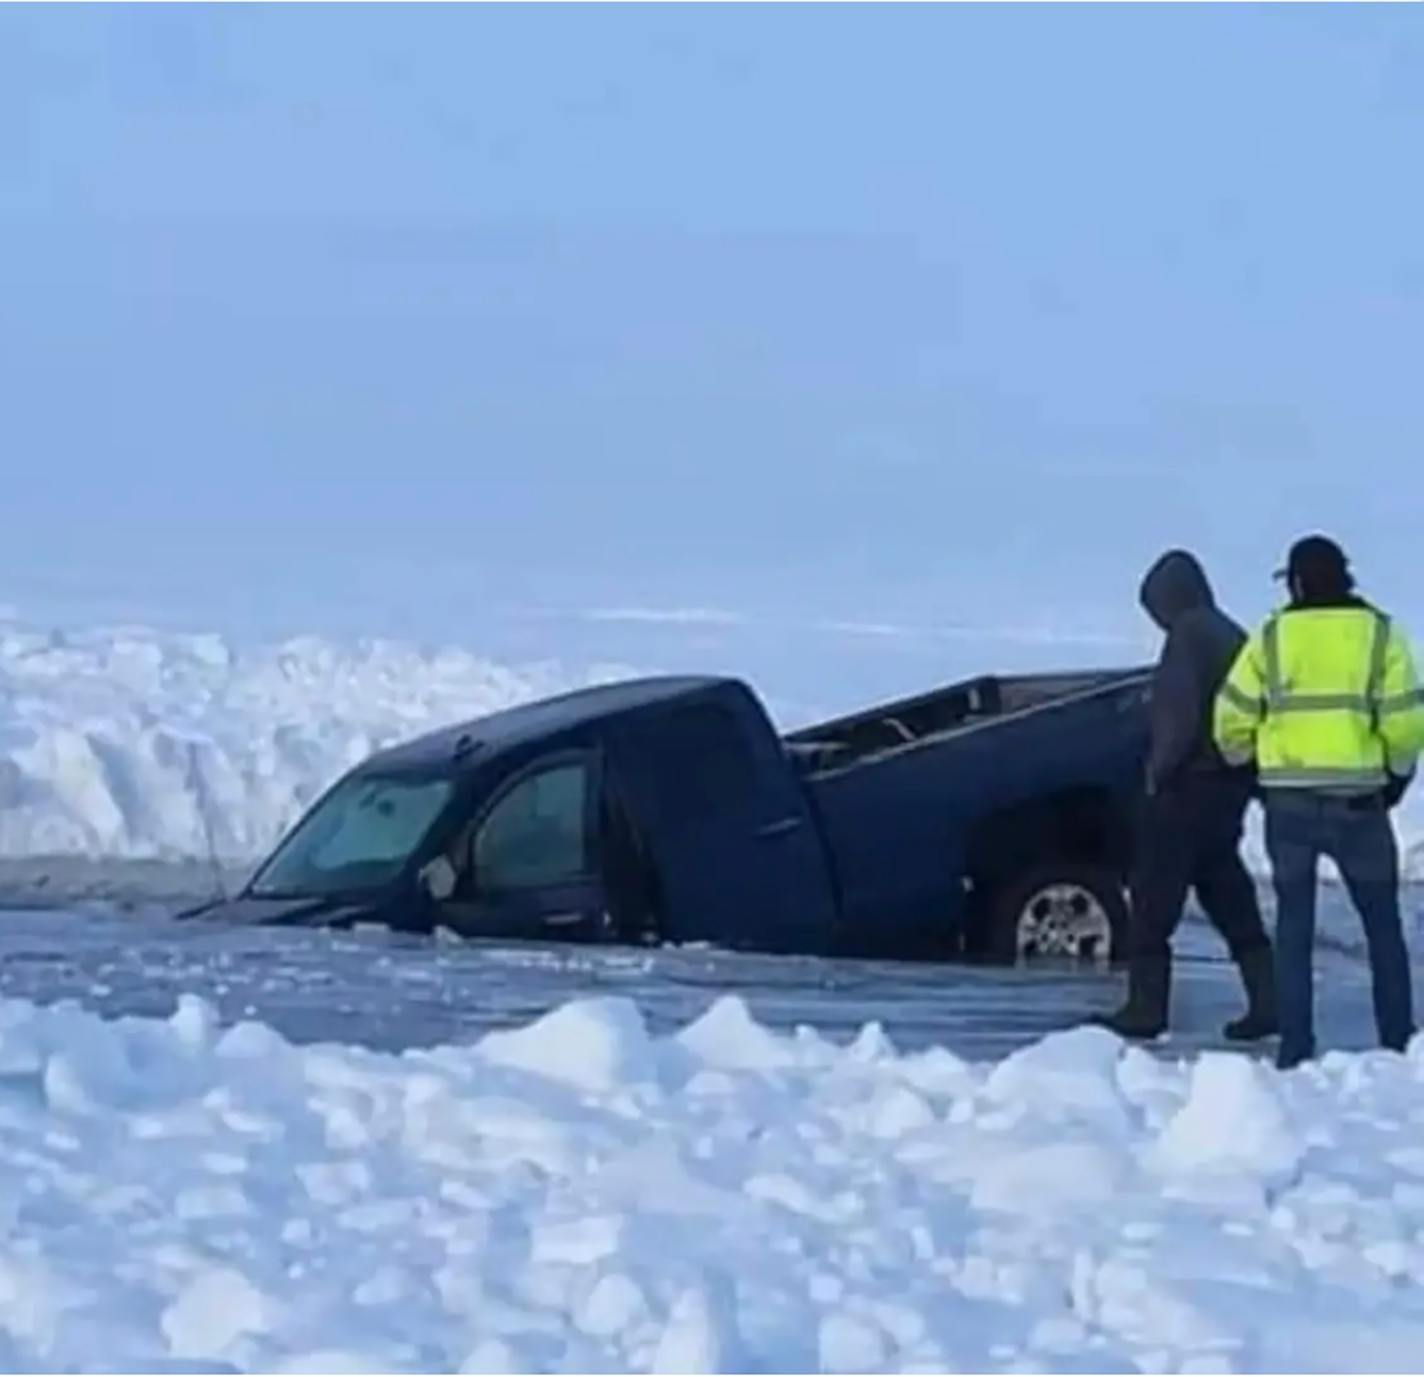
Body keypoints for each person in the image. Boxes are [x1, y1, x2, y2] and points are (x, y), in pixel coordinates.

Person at [1215, 535, 1424, 1069]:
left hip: (1289, 808)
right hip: (1361, 804)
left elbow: (1230, 719)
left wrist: (1253, 770)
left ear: (1297, 581)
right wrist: (1395, 776)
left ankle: (1296, 1049)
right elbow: (1406, 723)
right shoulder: (1381, 635)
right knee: (1383, 930)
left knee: (1293, 931)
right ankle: (1399, 1046)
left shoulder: (1272, 637)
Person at [1092, 551, 1277, 1040]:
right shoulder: (1231, 633)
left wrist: (1157, 773)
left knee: (1152, 899)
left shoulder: (1188, 637)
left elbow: (1178, 715)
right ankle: (1269, 1001)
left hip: (1185, 789)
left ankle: (1145, 1008)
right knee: (1227, 892)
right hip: (1227, 790)